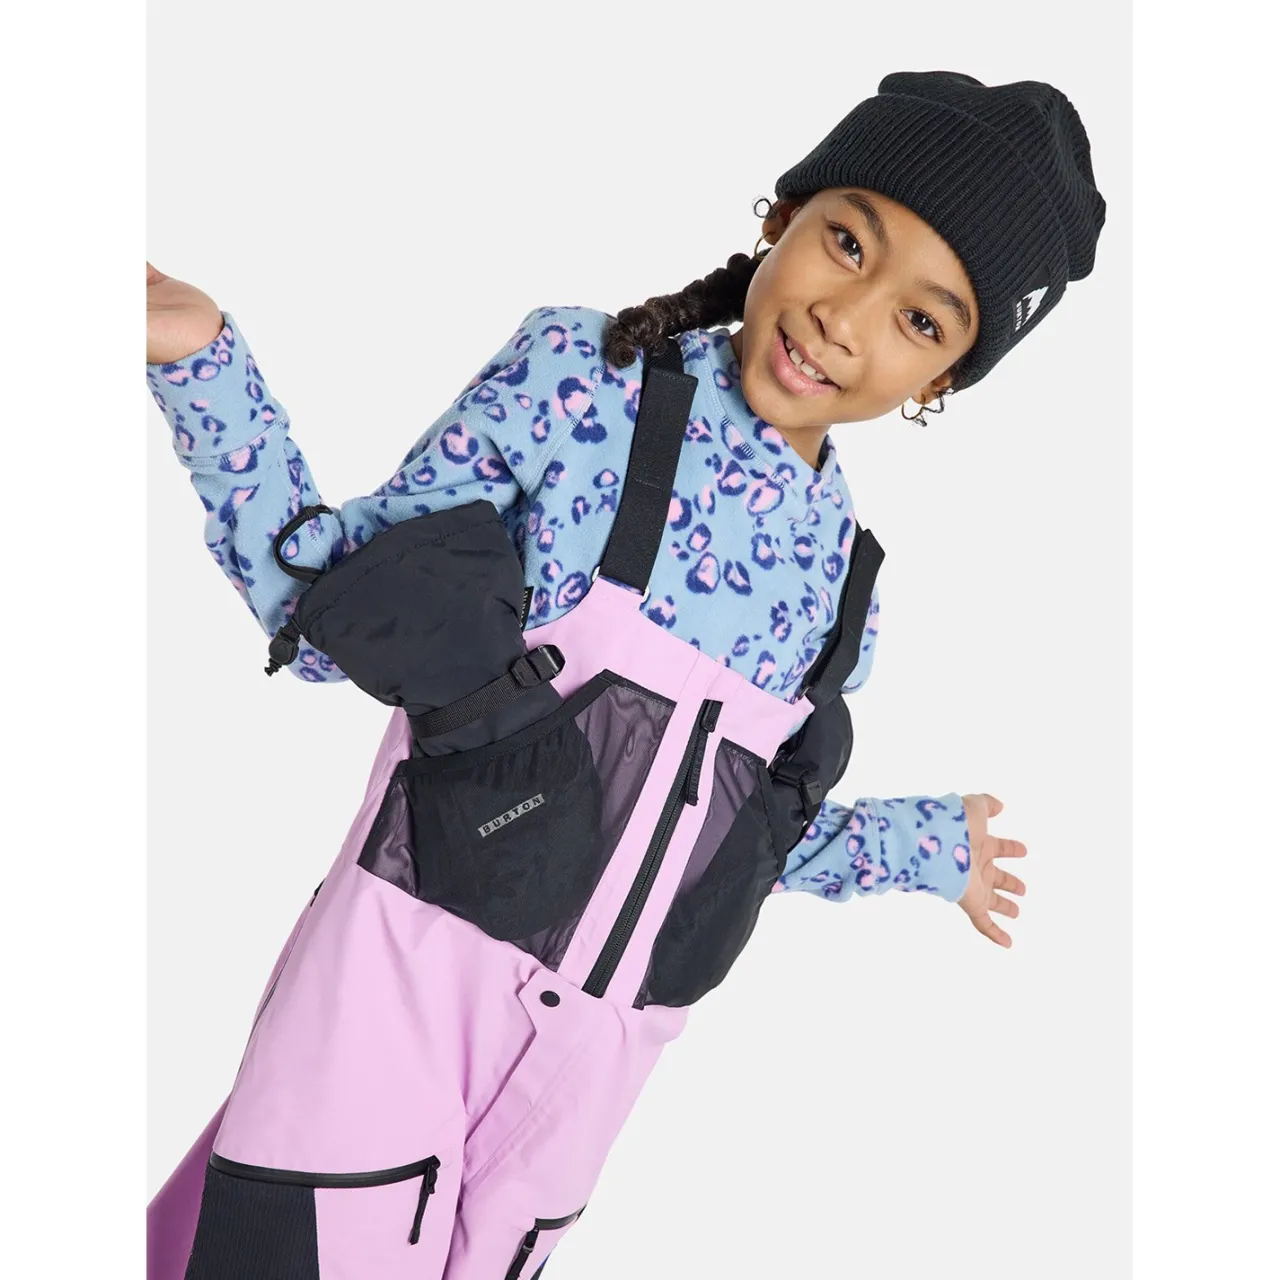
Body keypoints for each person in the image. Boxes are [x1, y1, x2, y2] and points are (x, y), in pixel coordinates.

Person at [146, 70, 1105, 1279]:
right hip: (389, 1008)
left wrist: (917, 847)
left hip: (567, 1118)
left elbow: (718, 842)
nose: (844, 317)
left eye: (921, 321)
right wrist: (202, 365)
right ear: (782, 215)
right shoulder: (580, 386)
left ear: (942, 382)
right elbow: (337, 609)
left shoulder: (841, 590)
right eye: (848, 242)